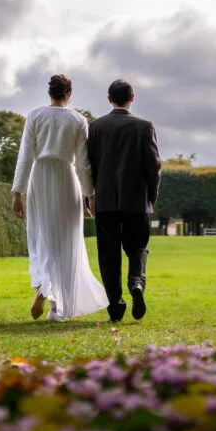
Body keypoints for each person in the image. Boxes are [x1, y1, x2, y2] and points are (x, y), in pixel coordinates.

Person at [11, 74, 109, 321]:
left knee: (42, 237)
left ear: (50, 94)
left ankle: (44, 288)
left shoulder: (35, 115)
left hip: (40, 177)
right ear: (69, 94)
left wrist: (17, 193)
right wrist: (90, 196)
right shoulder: (78, 120)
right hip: (66, 178)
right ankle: (58, 306)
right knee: (67, 241)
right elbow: (83, 163)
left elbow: (25, 156)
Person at [86, 79, 162, 322]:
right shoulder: (144, 126)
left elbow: (90, 165)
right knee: (137, 247)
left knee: (108, 255)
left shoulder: (96, 127)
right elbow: (154, 167)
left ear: (109, 98)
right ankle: (137, 282)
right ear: (133, 97)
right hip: (137, 200)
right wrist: (151, 196)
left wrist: (90, 196)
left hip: (106, 200)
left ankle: (115, 308)